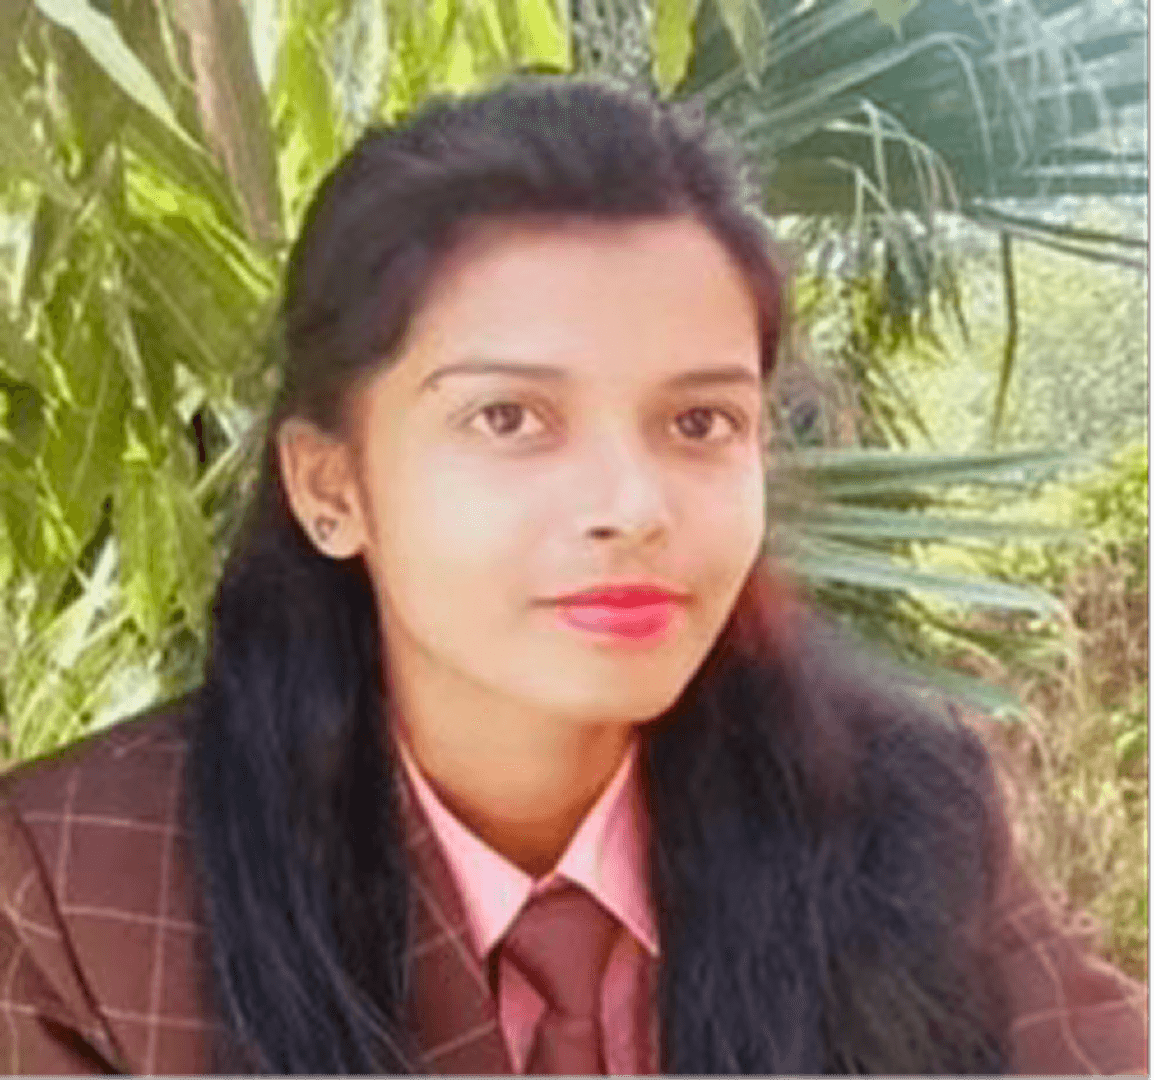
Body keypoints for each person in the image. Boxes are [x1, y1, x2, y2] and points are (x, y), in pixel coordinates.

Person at [0, 75, 1147, 1078]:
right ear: (328, 487)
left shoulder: (898, 807)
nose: (632, 508)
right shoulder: (79, 893)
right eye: (508, 417)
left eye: (699, 420)